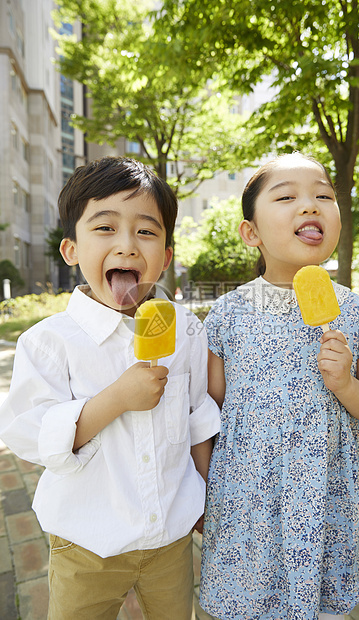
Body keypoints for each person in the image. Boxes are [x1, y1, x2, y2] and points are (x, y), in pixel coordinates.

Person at [0, 156, 220, 620]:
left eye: (146, 231)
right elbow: (28, 433)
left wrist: (206, 496)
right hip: (87, 542)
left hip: (170, 537)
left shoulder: (187, 331)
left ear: (166, 255)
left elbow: (198, 416)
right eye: (104, 228)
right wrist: (115, 399)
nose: (127, 246)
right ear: (71, 250)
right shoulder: (48, 342)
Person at [199, 152, 359, 620]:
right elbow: (207, 414)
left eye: (323, 196)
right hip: (246, 507)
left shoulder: (355, 312)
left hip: (326, 502)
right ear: (252, 233)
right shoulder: (227, 314)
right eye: (287, 197)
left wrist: (346, 386)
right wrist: (204, 498)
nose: (310, 206)